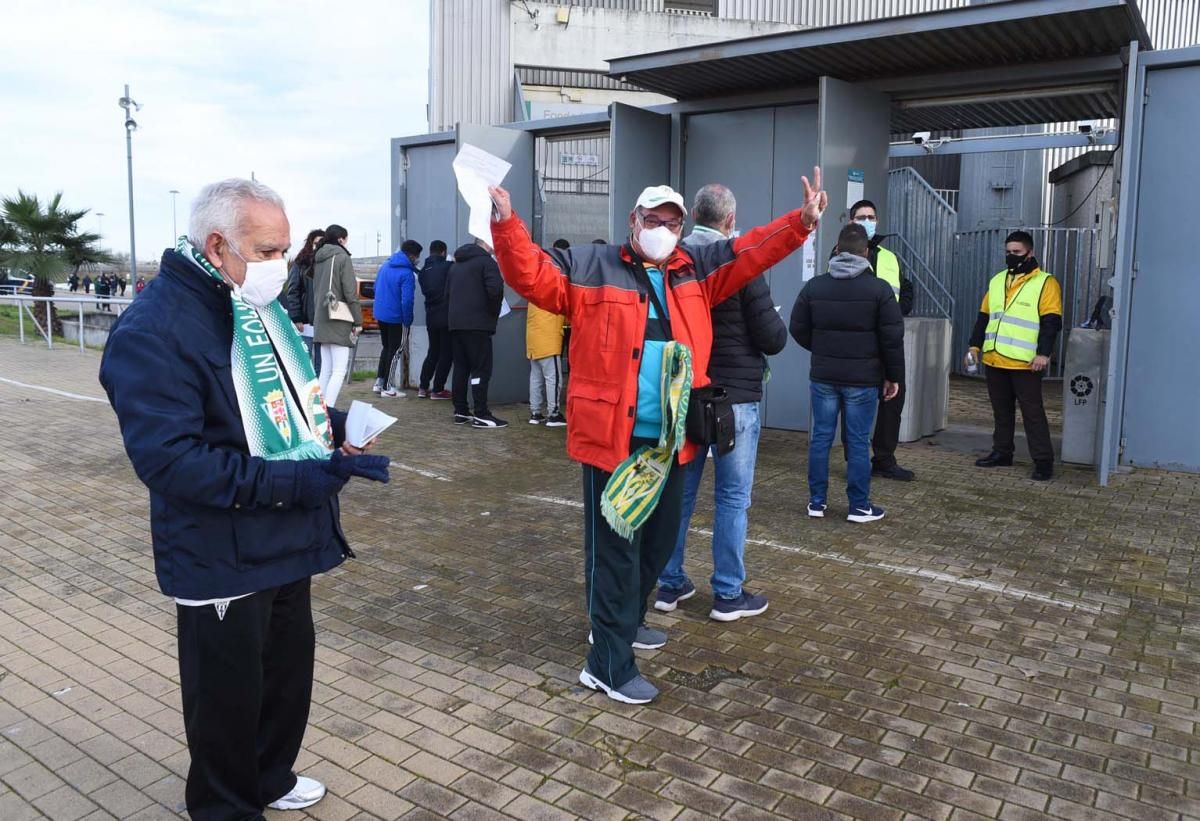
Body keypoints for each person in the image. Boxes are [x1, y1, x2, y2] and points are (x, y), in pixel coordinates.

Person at [98, 178, 391, 820]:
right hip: (220, 549)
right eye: (267, 250)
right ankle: (225, 804)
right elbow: (171, 462)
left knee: (285, 678)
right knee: (226, 696)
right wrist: (301, 482)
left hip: (287, 537)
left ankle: (269, 776)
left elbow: (280, 405)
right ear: (217, 244)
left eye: (285, 249)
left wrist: (334, 429)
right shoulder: (157, 328)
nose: (281, 265)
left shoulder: (252, 305)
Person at [488, 167, 827, 704]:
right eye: (654, 219)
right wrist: (506, 224)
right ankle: (607, 662)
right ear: (633, 220)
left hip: (674, 441)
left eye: (673, 221)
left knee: (660, 542)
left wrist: (801, 224)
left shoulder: (696, 271)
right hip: (613, 440)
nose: (663, 229)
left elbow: (751, 251)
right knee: (617, 551)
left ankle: (627, 620)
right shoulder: (589, 265)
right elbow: (530, 275)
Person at [655, 184, 786, 622]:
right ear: (730, 220)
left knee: (681, 493)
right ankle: (728, 593)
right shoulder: (740, 263)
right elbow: (772, 337)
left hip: (686, 395)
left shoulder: (675, 263)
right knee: (732, 497)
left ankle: (669, 583)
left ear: (693, 214)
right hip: (736, 399)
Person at [791, 223, 904, 524]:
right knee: (856, 442)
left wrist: (822, 348)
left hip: (824, 377)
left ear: (837, 250)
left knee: (821, 439)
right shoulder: (879, 290)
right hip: (863, 380)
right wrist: (893, 376)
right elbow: (892, 338)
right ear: (866, 252)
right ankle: (859, 506)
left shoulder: (815, 286)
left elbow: (797, 328)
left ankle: (816, 502)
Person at [967, 230, 1062, 481]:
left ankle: (1043, 461)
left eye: (1016, 252)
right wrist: (974, 347)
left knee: (1032, 413)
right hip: (995, 358)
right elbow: (984, 317)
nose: (1011, 256)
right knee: (1001, 411)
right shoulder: (998, 280)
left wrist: (1044, 353)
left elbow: (1051, 321)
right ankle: (1002, 452)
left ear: (1030, 252)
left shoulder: (1045, 282)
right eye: (1008, 252)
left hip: (1025, 362)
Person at [843, 200, 916, 482]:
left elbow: (905, 287)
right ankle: (855, 461)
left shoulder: (889, 256)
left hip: (887, 342)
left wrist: (895, 313)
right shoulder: (839, 254)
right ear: (851, 222)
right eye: (861, 217)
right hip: (858, 345)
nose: (867, 221)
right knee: (854, 405)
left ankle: (884, 459)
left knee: (893, 400)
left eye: (872, 216)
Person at [446, 238, 505, 428]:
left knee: (461, 368)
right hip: (478, 325)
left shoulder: (456, 266)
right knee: (481, 369)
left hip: (456, 324)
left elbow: (446, 294)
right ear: (487, 243)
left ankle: (461, 410)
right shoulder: (487, 263)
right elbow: (495, 291)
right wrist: (492, 313)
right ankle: (481, 413)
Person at [312, 225, 363, 410]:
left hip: (321, 315)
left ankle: (319, 409)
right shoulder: (342, 257)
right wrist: (358, 321)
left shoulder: (318, 258)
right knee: (339, 369)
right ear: (341, 239)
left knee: (326, 369)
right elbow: (350, 292)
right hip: (338, 317)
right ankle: (329, 411)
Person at [372, 239, 419, 398]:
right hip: (397, 317)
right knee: (396, 349)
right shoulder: (407, 273)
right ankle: (387, 387)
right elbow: (407, 300)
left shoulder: (385, 265)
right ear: (412, 256)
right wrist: (408, 319)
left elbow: (375, 287)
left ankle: (379, 382)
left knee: (386, 347)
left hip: (381, 314)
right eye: (417, 257)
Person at [417, 240, 453, 399]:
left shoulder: (423, 271)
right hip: (446, 316)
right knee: (446, 353)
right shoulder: (448, 267)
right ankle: (438, 389)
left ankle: (423, 387)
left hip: (431, 316)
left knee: (433, 351)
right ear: (444, 252)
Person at [286, 228, 326, 370]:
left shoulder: (328, 264)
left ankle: (320, 391)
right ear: (310, 243)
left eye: (322, 242)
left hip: (324, 323)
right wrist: (297, 318)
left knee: (322, 364)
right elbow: (293, 291)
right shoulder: (300, 263)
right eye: (316, 243)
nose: (319, 246)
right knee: (304, 361)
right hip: (306, 322)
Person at [526, 299, 566, 426]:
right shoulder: (553, 296)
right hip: (549, 343)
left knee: (535, 379)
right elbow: (566, 315)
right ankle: (554, 415)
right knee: (553, 380)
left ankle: (535, 413)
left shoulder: (533, 296)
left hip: (533, 342)